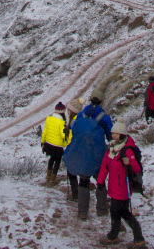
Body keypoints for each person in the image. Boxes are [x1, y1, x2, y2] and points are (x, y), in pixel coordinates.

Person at [62, 89, 112, 219]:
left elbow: (74, 127)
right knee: (100, 182)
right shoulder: (104, 118)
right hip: (98, 154)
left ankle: (82, 212)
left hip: (82, 152)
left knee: (83, 182)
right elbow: (111, 136)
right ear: (101, 101)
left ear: (90, 100)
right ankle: (101, 209)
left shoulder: (81, 115)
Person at [97, 121, 146, 247]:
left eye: (117, 134)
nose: (114, 136)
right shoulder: (111, 148)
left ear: (123, 135)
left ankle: (114, 235)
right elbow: (104, 166)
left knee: (116, 211)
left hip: (123, 188)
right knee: (123, 212)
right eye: (113, 134)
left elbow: (137, 169)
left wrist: (129, 162)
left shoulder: (127, 150)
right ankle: (137, 237)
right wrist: (100, 182)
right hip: (114, 188)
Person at [41, 101, 70, 184]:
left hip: (49, 144)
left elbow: (45, 132)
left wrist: (43, 142)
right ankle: (53, 178)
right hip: (58, 146)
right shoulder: (62, 122)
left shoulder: (49, 119)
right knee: (57, 161)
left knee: (51, 159)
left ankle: (48, 175)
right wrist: (67, 139)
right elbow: (63, 135)